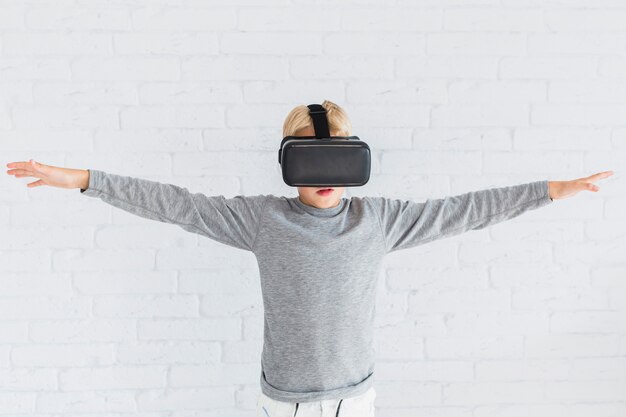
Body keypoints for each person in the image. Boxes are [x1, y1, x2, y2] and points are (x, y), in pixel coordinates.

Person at [5, 100, 614, 417]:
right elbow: (174, 204)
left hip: (358, 396)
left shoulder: (378, 221)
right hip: (287, 399)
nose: (325, 174)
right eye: (311, 158)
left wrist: (549, 190)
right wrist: (84, 178)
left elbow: (466, 210)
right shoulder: (261, 220)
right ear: (289, 162)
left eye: (337, 157)